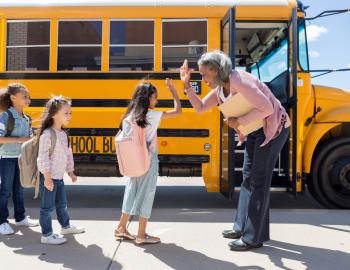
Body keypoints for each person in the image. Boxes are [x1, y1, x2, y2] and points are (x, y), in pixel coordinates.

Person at [180, 50, 290, 251]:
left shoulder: (239, 80)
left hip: (274, 129)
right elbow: (201, 107)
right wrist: (187, 86)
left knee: (259, 181)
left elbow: (267, 108)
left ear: (216, 70)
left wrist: (238, 121)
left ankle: (253, 238)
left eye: (204, 74)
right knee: (248, 178)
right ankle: (242, 227)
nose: (203, 79)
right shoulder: (221, 89)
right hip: (255, 129)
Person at [115, 79, 182, 245]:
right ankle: (141, 234)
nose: (156, 101)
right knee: (147, 194)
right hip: (148, 159)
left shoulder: (129, 117)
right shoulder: (152, 115)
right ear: (147, 99)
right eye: (155, 97)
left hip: (133, 160)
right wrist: (174, 92)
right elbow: (178, 111)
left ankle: (121, 228)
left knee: (131, 191)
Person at [37, 96, 85, 245]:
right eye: (66, 113)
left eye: (70, 113)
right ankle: (46, 234)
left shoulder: (64, 134)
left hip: (59, 178)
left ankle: (65, 226)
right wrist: (47, 177)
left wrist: (70, 171)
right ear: (53, 114)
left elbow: (68, 154)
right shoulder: (47, 134)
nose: (69, 116)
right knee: (47, 208)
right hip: (49, 178)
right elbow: (42, 158)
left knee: (62, 205)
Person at [0, 83, 39, 235]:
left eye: (29, 97)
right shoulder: (6, 116)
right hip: (7, 158)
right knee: (5, 190)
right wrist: (20, 139)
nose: (28, 99)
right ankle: (2, 221)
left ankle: (20, 217)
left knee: (19, 189)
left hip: (22, 158)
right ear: (13, 98)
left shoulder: (27, 118)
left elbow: (28, 139)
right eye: (24, 97)